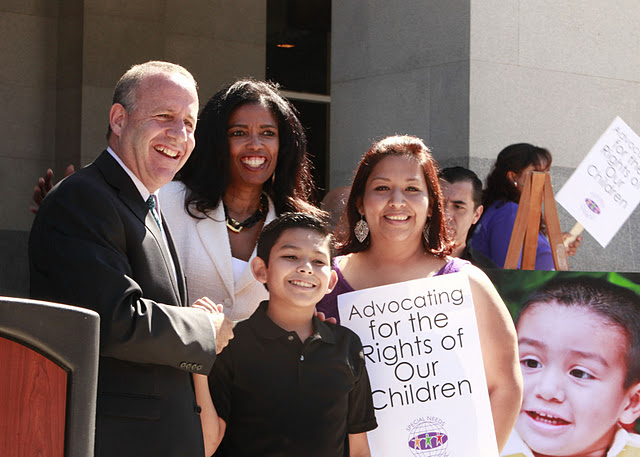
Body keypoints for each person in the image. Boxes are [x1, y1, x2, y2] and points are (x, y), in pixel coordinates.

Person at [29, 61, 233, 457]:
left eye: (189, 123)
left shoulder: (144, 201)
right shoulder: (85, 198)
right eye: (164, 116)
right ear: (119, 120)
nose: (180, 134)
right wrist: (203, 328)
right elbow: (112, 319)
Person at [30, 79, 321, 323]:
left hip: (262, 386)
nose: (255, 144)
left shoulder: (297, 224)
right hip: (179, 380)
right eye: (239, 133)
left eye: (268, 134)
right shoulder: (165, 199)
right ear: (217, 141)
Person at [315, 135, 522, 452]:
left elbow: (505, 386)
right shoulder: (320, 281)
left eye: (412, 189)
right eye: (382, 188)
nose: (397, 200)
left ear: (430, 205)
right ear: (360, 201)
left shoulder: (468, 283)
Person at [193, 212, 378, 457]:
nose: (306, 268)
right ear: (260, 270)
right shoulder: (231, 343)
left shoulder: (346, 345)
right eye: (290, 256)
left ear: (332, 281)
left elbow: (358, 449)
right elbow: (207, 445)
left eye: (319, 261)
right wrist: (199, 351)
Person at [502, 277, 640, 457]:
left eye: (580, 373)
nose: (547, 390)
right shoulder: (472, 447)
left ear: (631, 403)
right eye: (531, 363)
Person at [471, 143, 582, 270]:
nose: (544, 180)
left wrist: (555, 249)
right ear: (513, 177)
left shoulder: (505, 209)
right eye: (537, 173)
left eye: (547, 173)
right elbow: (508, 272)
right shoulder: (509, 213)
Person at [439, 166, 497, 269]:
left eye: (458, 207)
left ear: (477, 215)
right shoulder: (405, 260)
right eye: (439, 205)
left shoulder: (486, 271)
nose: (446, 215)